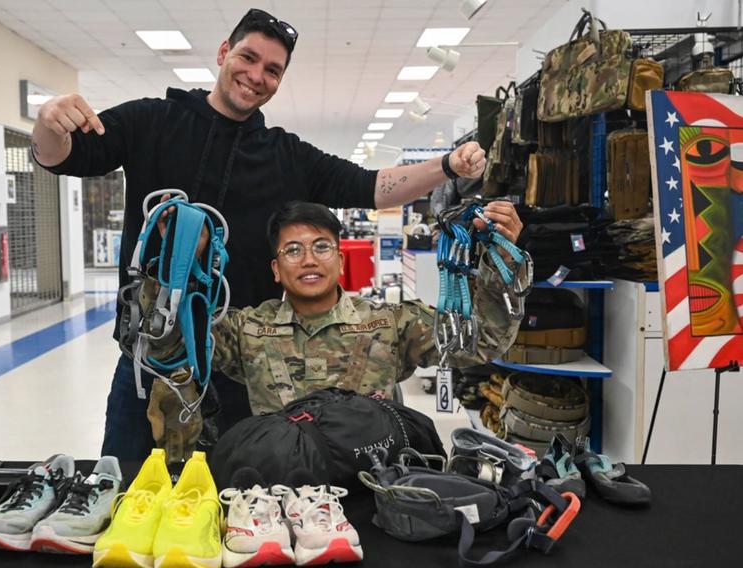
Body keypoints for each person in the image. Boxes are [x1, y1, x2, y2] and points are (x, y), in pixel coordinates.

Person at [31, 8, 489, 461]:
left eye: (272, 70)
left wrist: (447, 167)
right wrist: (47, 121)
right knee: (128, 497)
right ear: (224, 51)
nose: (256, 75)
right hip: (150, 366)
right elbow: (64, 155)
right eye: (248, 58)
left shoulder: (285, 156)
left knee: (241, 510)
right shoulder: (152, 122)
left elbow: (370, 186)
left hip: (243, 373)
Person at [145, 201, 522, 418]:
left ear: (340, 261)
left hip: (371, 492)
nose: (308, 259)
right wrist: (175, 267)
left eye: (321, 247)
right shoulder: (248, 329)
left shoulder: (390, 323)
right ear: (276, 270)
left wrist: (503, 259)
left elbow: (483, 342)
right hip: (277, 497)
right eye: (293, 250)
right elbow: (172, 352)